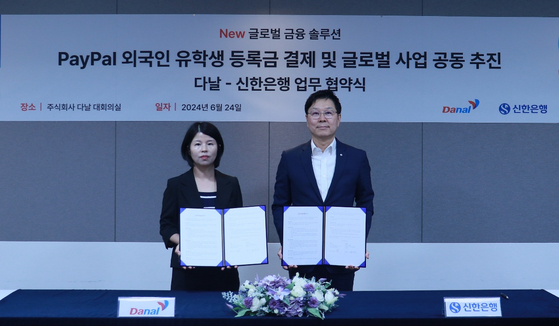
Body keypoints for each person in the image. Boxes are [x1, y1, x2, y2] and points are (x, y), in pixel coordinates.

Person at [272, 89, 374, 291]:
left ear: (339, 118)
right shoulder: (290, 158)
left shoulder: (356, 157)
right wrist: (288, 243)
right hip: (302, 258)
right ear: (307, 119)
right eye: (315, 113)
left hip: (342, 259)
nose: (322, 119)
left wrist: (357, 243)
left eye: (328, 113)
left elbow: (365, 202)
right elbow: (280, 205)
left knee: (342, 316)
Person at [160, 121, 243, 291]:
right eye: (197, 144)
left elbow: (237, 224)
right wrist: (187, 243)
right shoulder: (176, 184)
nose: (204, 149)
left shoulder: (231, 183)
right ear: (188, 149)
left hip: (224, 269)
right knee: (187, 316)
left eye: (210, 144)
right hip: (187, 268)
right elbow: (167, 226)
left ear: (218, 147)